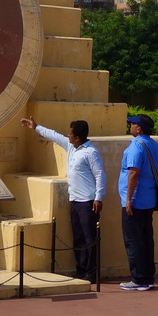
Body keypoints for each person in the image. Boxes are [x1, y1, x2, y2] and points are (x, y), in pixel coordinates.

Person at [20, 115, 105, 280]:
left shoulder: (91, 152)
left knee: (90, 239)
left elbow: (100, 175)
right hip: (74, 200)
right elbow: (54, 135)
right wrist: (36, 126)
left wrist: (98, 197)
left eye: (70, 133)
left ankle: (92, 273)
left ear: (77, 137)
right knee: (78, 238)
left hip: (88, 202)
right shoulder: (71, 147)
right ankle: (81, 271)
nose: (67, 135)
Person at [118, 113, 158, 292]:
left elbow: (133, 173)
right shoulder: (155, 146)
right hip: (148, 199)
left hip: (135, 202)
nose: (130, 126)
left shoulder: (136, 147)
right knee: (146, 239)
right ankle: (147, 277)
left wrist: (128, 199)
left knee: (133, 240)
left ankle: (138, 279)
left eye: (133, 124)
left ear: (139, 129)